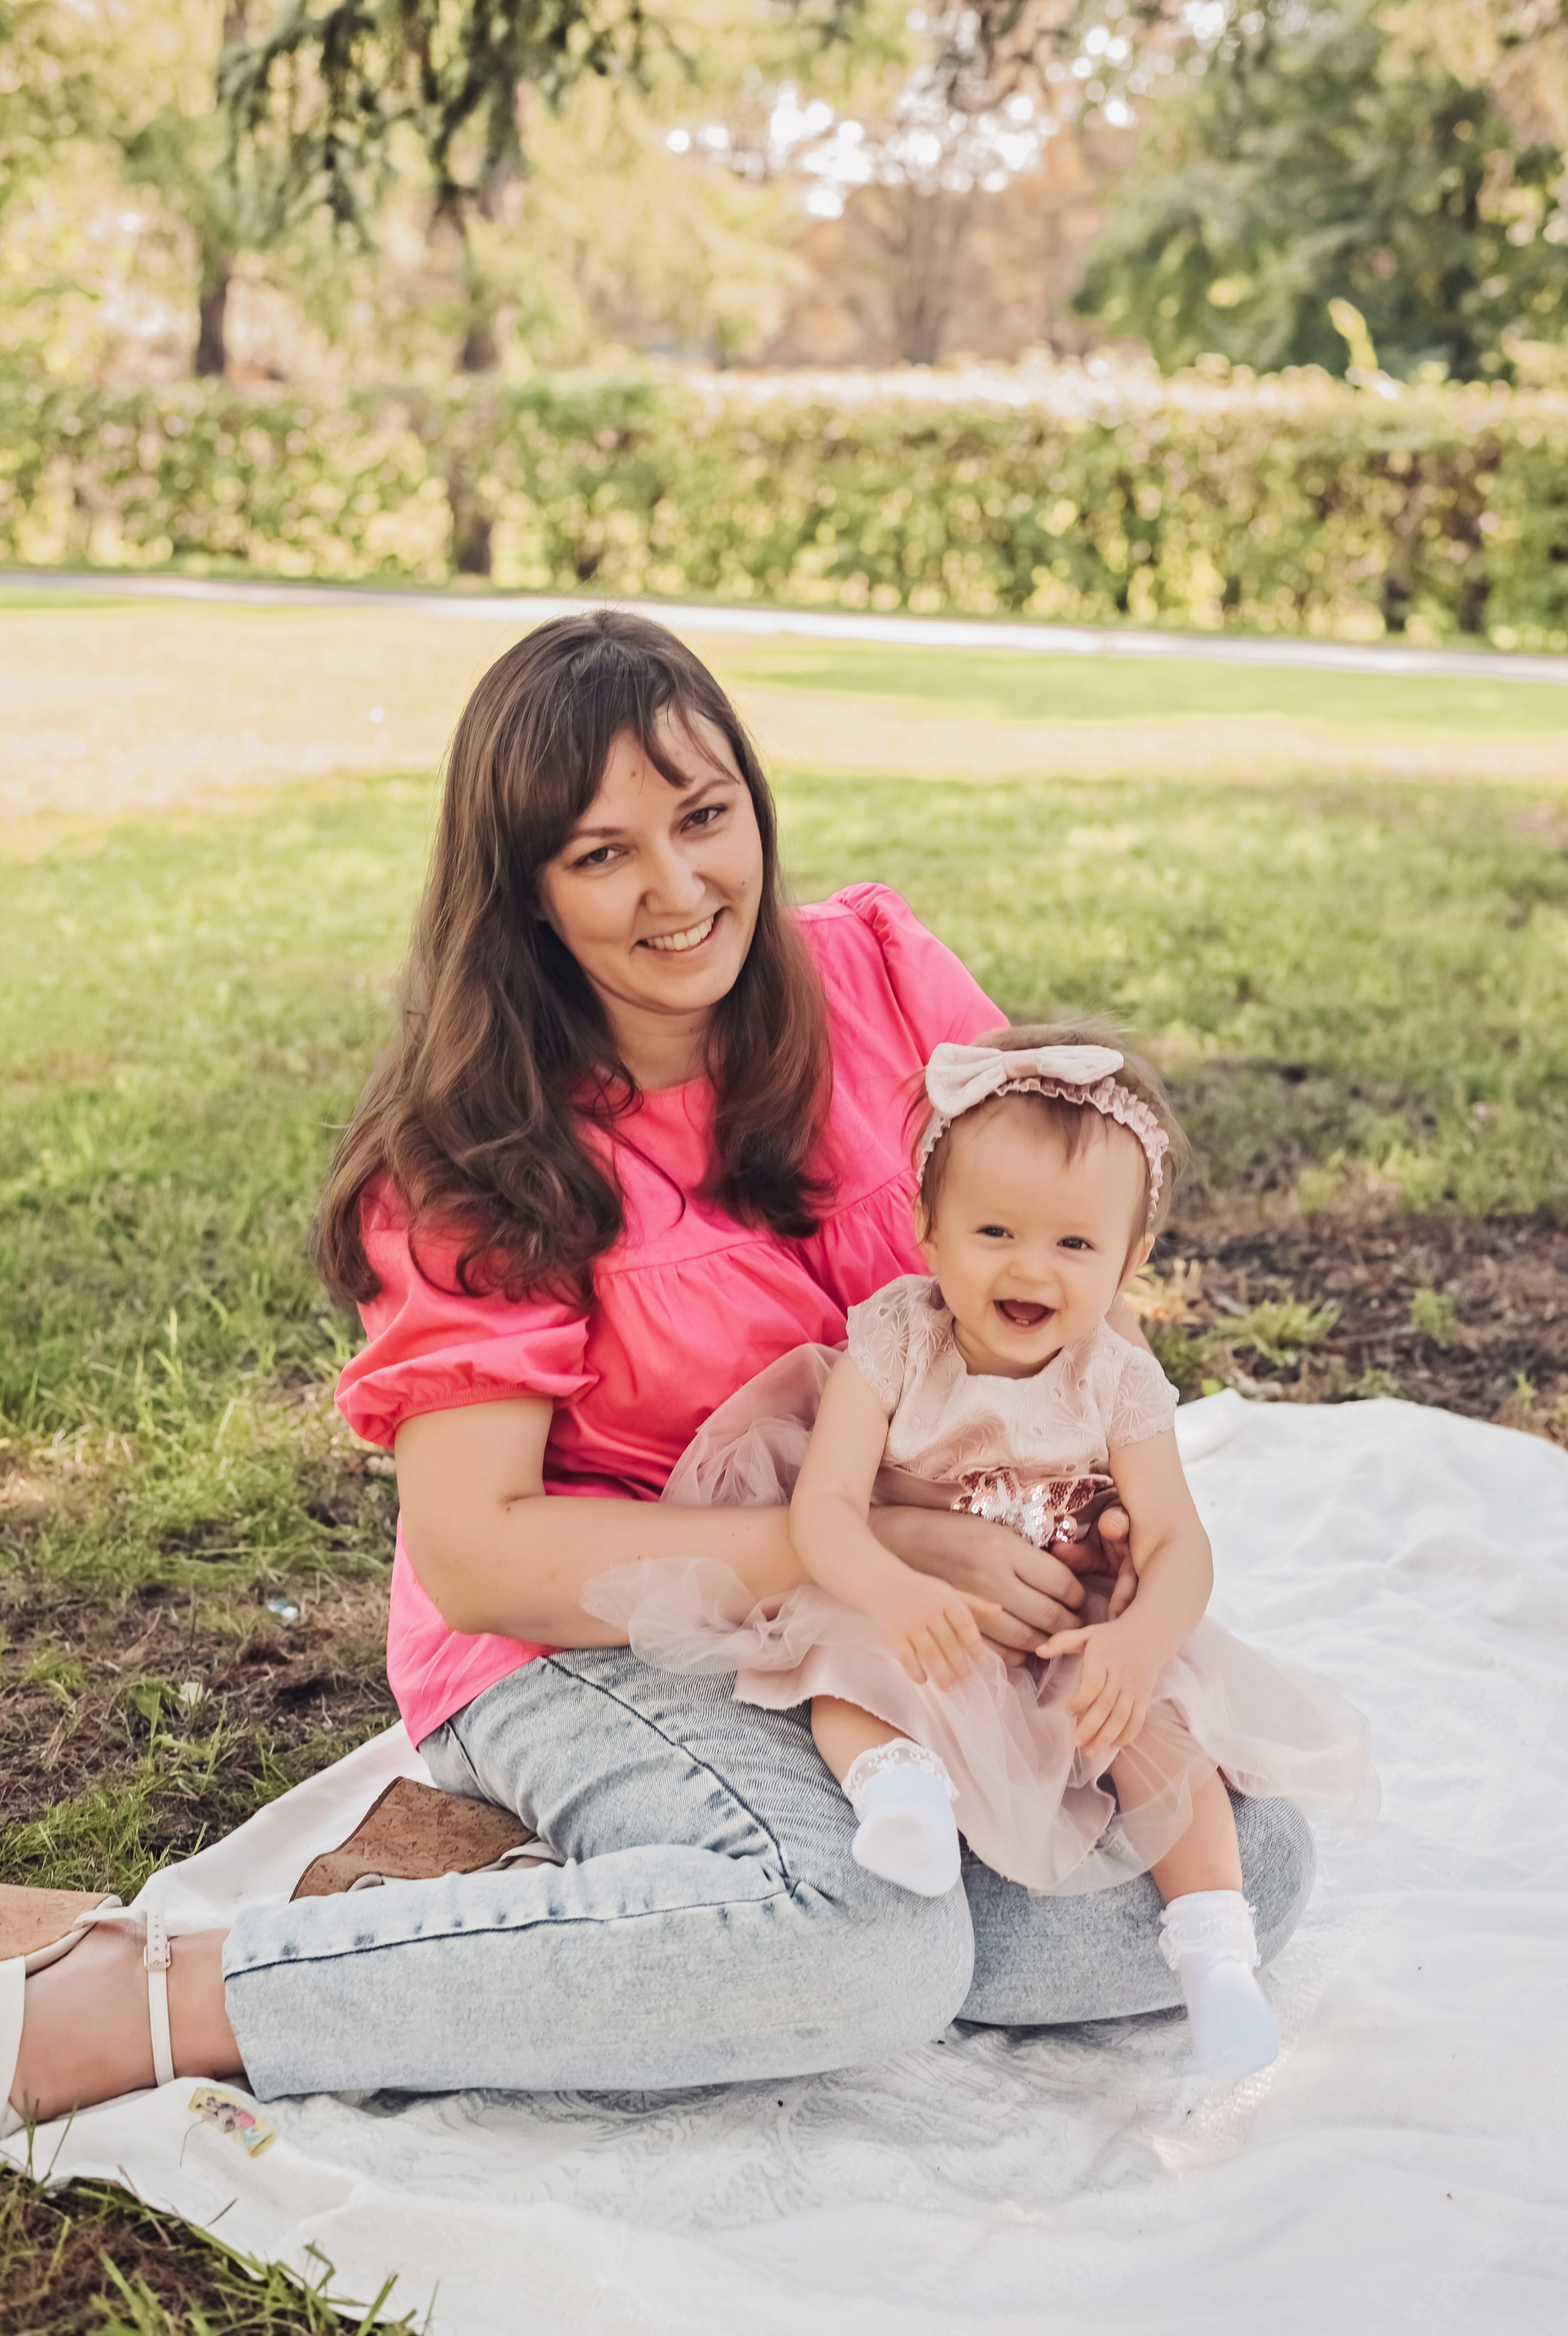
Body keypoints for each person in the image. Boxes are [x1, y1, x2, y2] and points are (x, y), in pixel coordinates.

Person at [1, 611, 1316, 2129]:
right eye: (601, 853)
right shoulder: (481, 1144)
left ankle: (640, 1929)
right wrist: (878, 1542)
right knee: (869, 1949)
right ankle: (154, 1994)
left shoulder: (877, 980)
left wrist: (1083, 1544)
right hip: (589, 1636)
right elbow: (483, 1556)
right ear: (527, 893)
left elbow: (1062, 1259)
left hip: (906, 1620)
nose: (681, 889)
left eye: (703, 818)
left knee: (1240, 1867)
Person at [590, 1025, 1374, 2085]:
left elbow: (1182, 1540)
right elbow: (823, 1508)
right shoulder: (896, 1341)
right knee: (843, 1661)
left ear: (1132, 1263)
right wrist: (889, 1588)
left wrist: (1139, 1642)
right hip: (911, 1595)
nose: (1028, 1267)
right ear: (929, 1228)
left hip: (1067, 1617)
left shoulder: (1115, 1379)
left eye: (1074, 1245)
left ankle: (1215, 1956)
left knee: (1159, 1729)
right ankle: (899, 1797)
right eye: (994, 1229)